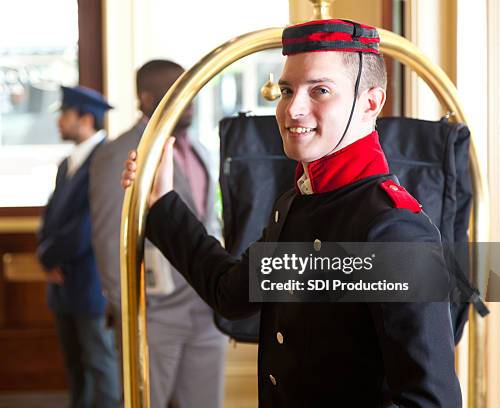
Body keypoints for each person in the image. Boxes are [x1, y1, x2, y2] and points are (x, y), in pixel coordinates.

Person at [121, 20, 461, 406]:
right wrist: (161, 203)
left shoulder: (393, 229)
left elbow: (431, 401)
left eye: (320, 90)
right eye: (286, 90)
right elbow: (230, 292)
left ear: (370, 103)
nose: (292, 108)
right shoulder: (297, 201)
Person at [90, 60, 227, 407]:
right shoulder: (118, 154)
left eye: (189, 91)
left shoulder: (199, 149)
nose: (188, 100)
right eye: (174, 92)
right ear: (146, 98)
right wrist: (134, 314)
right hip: (154, 313)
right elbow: (108, 242)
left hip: (206, 307)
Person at [37, 85, 120, 408]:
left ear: (85, 118)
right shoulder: (66, 164)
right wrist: (46, 256)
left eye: (65, 114)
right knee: (76, 369)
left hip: (91, 282)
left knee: (100, 366)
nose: (59, 121)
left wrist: (49, 255)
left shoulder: (106, 159)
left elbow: (87, 226)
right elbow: (51, 216)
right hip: (63, 285)